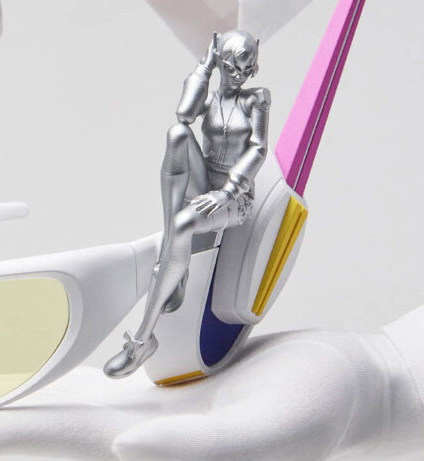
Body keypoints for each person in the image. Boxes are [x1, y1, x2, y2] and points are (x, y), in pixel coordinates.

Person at [104, 30, 271, 377]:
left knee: (184, 224)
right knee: (177, 134)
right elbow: (183, 114)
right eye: (232, 67)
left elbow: (258, 149)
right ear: (222, 63)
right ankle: (172, 261)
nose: (240, 76)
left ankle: (142, 340)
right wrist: (204, 67)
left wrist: (229, 192)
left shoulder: (256, 99)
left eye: (247, 69)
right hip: (203, 181)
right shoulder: (210, 99)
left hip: (234, 198)